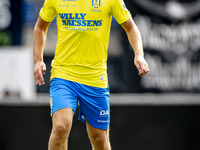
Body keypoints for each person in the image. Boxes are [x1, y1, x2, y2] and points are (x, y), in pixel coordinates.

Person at [33, 0, 149, 149]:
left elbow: (131, 27)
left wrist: (139, 55)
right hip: (64, 75)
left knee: (100, 139)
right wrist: (38, 60)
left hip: (95, 78)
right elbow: (40, 26)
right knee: (61, 127)